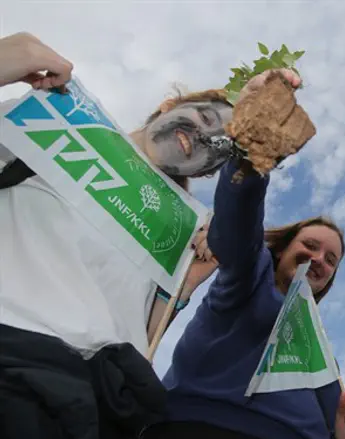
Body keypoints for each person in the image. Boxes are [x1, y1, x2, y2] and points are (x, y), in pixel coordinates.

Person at [0, 32, 222, 439]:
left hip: (97, 401)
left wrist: (185, 284)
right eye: (207, 118)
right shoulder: (61, 117)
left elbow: (143, 332)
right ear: (169, 106)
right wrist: (11, 57)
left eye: (220, 146)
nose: (206, 137)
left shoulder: (179, 229)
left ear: (206, 171)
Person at [141, 68, 345, 439]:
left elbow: (339, 418)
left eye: (331, 260)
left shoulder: (317, 343)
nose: (319, 259)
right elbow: (236, 229)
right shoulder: (250, 275)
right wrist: (251, 154)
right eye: (310, 246)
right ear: (281, 249)